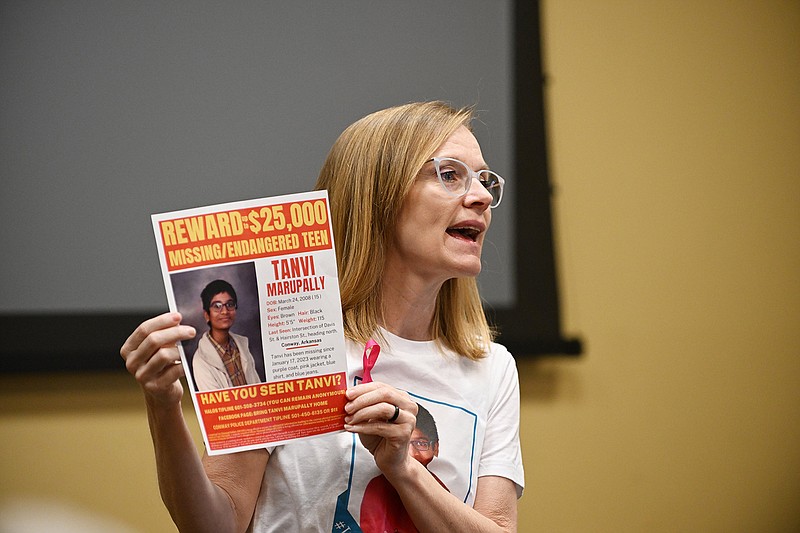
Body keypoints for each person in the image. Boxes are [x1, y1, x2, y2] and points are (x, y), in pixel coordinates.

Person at [121, 101, 524, 532]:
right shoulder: (286, 342)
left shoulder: (493, 368)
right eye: (449, 175)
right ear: (378, 196)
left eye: (484, 180)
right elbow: (214, 526)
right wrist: (163, 407)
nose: (482, 197)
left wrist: (404, 470)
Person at [360, 403, 448, 532]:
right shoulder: (377, 485)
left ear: (436, 448)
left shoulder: (438, 486)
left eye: (420, 443)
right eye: (404, 443)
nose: (410, 454)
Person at [191, 279, 261, 391]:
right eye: (217, 306)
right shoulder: (200, 360)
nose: (225, 311)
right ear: (207, 315)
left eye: (230, 304)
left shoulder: (242, 345)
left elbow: (257, 385)